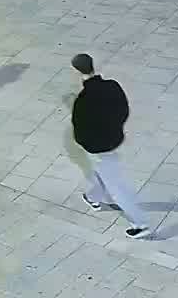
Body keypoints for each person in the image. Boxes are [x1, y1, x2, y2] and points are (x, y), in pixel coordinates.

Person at [71, 53, 154, 238]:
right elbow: (124, 110)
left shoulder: (82, 101)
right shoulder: (112, 86)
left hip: (98, 148)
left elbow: (80, 130)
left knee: (117, 187)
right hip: (113, 140)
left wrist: (87, 143)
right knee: (101, 172)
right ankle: (93, 197)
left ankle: (140, 224)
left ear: (77, 71)